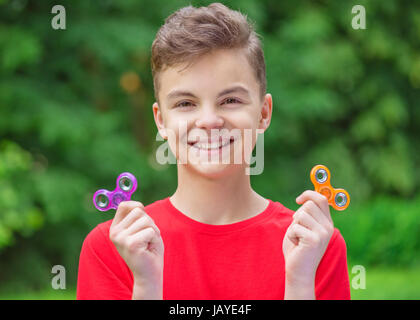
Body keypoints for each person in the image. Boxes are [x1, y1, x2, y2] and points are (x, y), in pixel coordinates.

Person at [76, 2, 350, 300]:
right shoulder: (114, 248)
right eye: (185, 103)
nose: (208, 121)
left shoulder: (313, 246)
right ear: (161, 120)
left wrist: (299, 281)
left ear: (263, 113)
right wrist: (146, 285)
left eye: (230, 100)